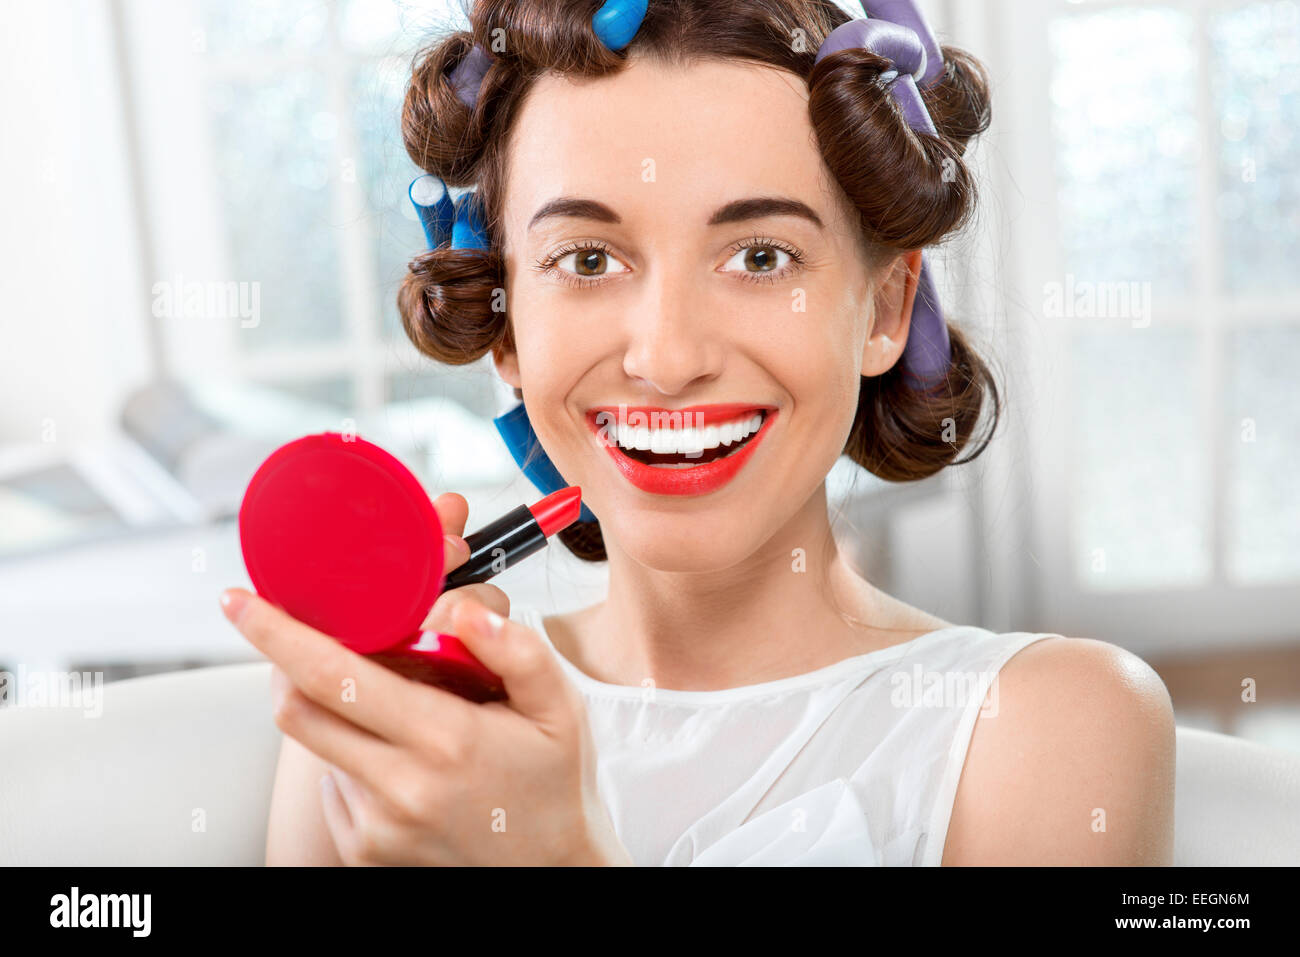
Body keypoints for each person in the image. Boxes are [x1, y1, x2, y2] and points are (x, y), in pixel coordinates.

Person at [259, 0, 1175, 866]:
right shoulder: (395, 722)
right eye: (587, 259)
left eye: (760, 256)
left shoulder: (1053, 723)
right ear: (506, 330)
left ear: (885, 308)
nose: (669, 354)